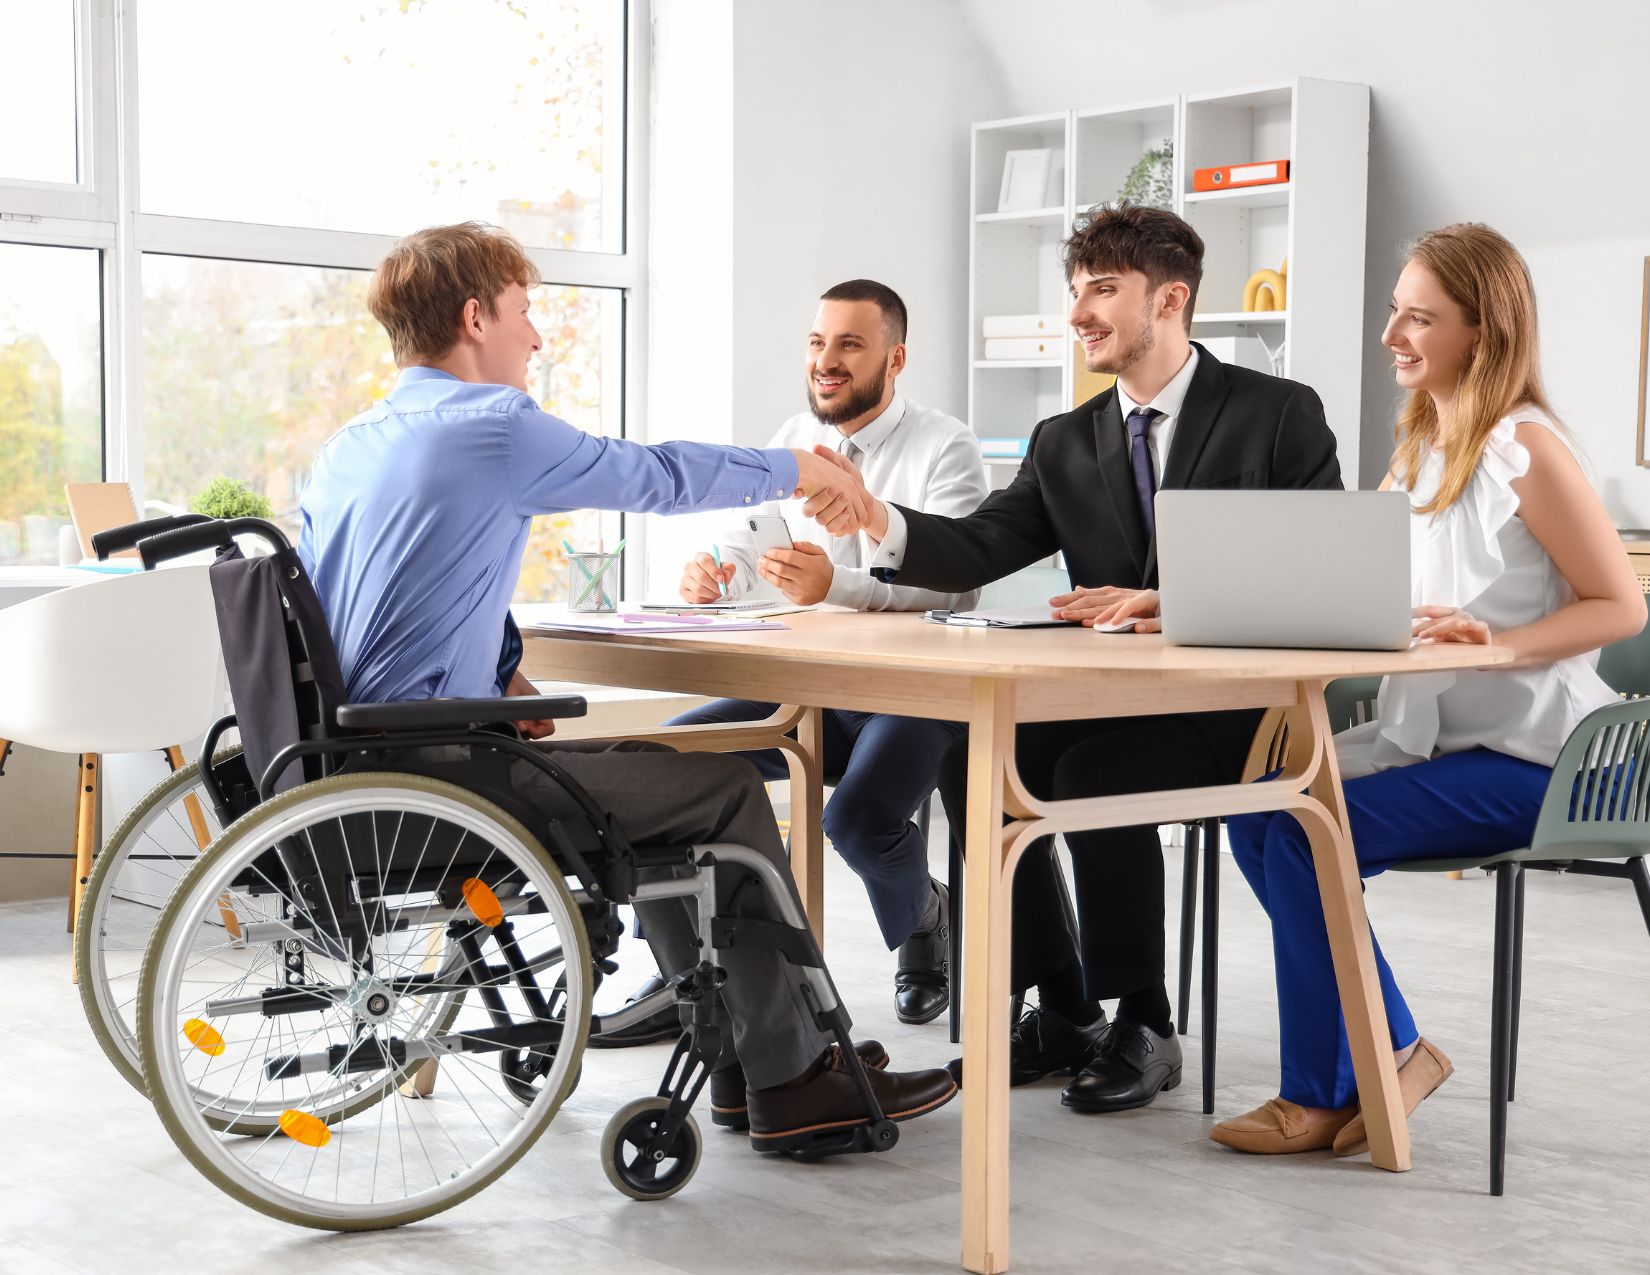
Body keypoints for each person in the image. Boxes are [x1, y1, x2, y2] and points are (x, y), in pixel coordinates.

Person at [297, 221, 956, 1155]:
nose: (535, 337)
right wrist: (797, 464)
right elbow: (650, 476)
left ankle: (752, 1061)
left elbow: (372, 613)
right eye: (525, 315)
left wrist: (504, 681)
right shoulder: (490, 426)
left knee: (658, 767)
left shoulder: (348, 446)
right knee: (722, 786)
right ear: (476, 315)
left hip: (358, 766)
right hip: (446, 776)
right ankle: (790, 1076)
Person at [806, 202, 1343, 1114]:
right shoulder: (1066, 440)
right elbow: (979, 546)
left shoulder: (1278, 414)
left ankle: (1145, 1018)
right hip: (1116, 695)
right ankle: (1060, 1006)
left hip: (1241, 711)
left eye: (1103, 290)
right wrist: (876, 521)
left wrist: (1173, 602)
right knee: (976, 749)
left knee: (1094, 772)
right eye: (1076, 291)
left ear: (1170, 299)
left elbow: (1325, 574)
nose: (1079, 312)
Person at [1209, 223, 1646, 1154]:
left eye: (1418, 317)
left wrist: (1503, 643)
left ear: (1480, 333)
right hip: (1455, 746)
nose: (1391, 335)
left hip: (1546, 761)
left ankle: (1330, 1086)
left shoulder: (1529, 451)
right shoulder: (1421, 447)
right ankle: (1393, 1047)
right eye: (1394, 313)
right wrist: (1176, 595)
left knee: (1299, 827)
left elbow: (1621, 607)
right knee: (1261, 812)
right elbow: (1350, 585)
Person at [666, 279, 987, 1026]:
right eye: (818, 342)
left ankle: (924, 921)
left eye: (849, 344)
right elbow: (757, 558)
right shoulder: (792, 437)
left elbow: (960, 588)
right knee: (675, 763)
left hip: (915, 691)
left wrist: (835, 584)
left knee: (857, 819)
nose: (826, 361)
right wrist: (715, 580)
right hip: (805, 686)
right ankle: (697, 975)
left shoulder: (946, 446)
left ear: (895, 358)